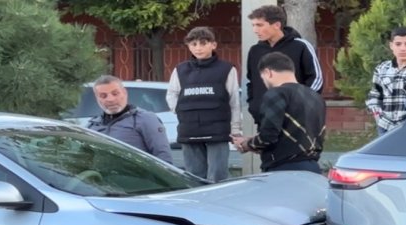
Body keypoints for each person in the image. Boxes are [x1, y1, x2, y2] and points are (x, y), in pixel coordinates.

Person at [166, 26, 241, 182]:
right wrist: (181, 111)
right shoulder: (180, 70)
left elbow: (234, 101)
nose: (198, 48)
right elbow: (171, 95)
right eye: (193, 44)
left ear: (213, 45)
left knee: (218, 177)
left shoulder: (227, 69)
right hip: (189, 130)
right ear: (188, 46)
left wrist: (235, 129)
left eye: (203, 43)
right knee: (194, 177)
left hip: (218, 132)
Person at [232, 53, 324, 173]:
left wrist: (246, 144)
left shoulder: (276, 94)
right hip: (313, 167)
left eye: (262, 78)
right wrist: (254, 140)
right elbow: (292, 133)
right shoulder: (315, 97)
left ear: (268, 72)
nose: (264, 83)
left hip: (283, 168)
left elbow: (268, 137)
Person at [246, 5, 323, 126]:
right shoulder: (255, 51)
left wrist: (299, 105)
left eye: (260, 25)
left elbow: (316, 79)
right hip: (264, 119)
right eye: (253, 25)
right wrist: (254, 107)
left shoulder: (301, 46)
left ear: (277, 25)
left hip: (296, 121)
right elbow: (251, 81)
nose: (255, 30)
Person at [86, 75, 173, 163]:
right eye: (103, 96)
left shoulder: (145, 119)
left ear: (124, 93)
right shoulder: (92, 126)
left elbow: (164, 158)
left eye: (115, 93)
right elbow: (84, 159)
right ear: (97, 98)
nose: (110, 99)